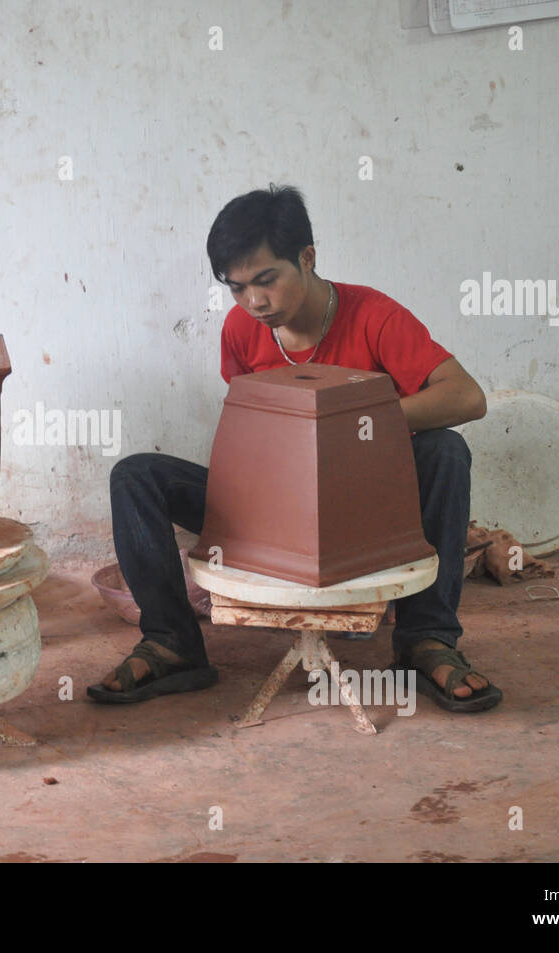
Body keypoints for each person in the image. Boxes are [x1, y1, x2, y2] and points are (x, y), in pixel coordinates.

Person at [89, 185, 503, 713]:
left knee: (445, 451)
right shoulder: (242, 329)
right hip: (271, 512)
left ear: (307, 258)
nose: (254, 302)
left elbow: (468, 397)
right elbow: (246, 432)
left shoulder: (373, 315)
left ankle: (427, 641)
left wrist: (349, 418)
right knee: (135, 475)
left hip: (361, 511)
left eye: (266, 280)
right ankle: (173, 644)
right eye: (237, 288)